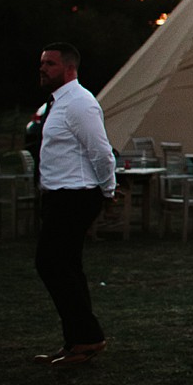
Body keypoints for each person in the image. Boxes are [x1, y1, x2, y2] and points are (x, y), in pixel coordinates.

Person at [31, 42, 118, 366]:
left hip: (76, 194)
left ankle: (88, 337)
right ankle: (78, 341)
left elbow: (100, 151)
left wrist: (108, 191)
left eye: (50, 64)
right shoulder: (57, 104)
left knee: (51, 263)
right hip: (59, 194)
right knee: (64, 267)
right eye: (42, 63)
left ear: (69, 68)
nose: (43, 68)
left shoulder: (80, 103)